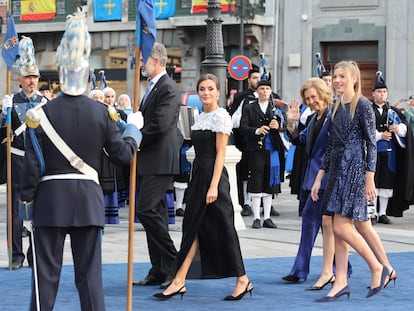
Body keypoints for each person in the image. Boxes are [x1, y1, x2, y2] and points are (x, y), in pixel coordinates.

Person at [18, 11, 142, 310]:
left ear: (59, 75)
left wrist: (26, 205)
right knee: (90, 278)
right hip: (88, 201)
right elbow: (123, 156)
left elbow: (31, 168)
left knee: (45, 277)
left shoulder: (40, 114)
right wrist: (133, 131)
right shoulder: (102, 113)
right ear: (87, 75)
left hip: (50, 202)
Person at [153, 73, 252, 301]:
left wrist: (214, 186)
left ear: (218, 92)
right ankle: (179, 281)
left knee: (225, 230)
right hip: (198, 175)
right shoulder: (200, 117)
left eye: (210, 89)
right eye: (202, 89)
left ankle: (242, 279)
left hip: (214, 178)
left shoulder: (220, 117)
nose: (206, 93)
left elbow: (220, 155)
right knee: (192, 228)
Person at [311, 60, 395, 302]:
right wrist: (319, 177)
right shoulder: (336, 105)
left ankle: (377, 267)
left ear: (354, 79)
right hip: (337, 170)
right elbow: (331, 146)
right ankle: (340, 282)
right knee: (338, 230)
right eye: (335, 76)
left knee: (340, 226)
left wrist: (370, 177)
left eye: (342, 76)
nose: (337, 80)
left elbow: (371, 143)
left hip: (354, 170)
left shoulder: (363, 105)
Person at [133, 42, 181, 288]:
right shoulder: (152, 87)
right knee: (157, 213)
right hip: (149, 159)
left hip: (160, 159)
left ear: (157, 60)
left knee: (146, 210)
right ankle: (159, 268)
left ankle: (175, 262)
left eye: (143, 59)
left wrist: (136, 136)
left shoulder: (168, 87)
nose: (140, 63)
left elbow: (161, 125)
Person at [282, 77, 338, 287]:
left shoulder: (333, 116)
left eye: (314, 96)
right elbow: (299, 140)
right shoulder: (315, 118)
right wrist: (291, 123)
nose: (311, 101)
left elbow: (334, 149)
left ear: (324, 93)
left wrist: (323, 175)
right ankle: (340, 266)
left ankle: (302, 270)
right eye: (308, 98)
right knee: (324, 225)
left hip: (327, 179)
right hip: (312, 179)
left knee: (320, 224)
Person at [0, 36, 46, 270]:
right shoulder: (12, 100)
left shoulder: (45, 102)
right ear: (19, 79)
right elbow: (2, 132)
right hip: (17, 160)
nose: (31, 81)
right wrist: (3, 114)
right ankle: (16, 254)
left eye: (34, 77)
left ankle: (34, 254)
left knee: (39, 211)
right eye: (27, 77)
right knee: (16, 212)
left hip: (38, 161)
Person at [239, 80, 285, 229]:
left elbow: (282, 126)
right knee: (256, 182)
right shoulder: (249, 108)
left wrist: (278, 126)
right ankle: (256, 217)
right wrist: (257, 131)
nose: (265, 91)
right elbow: (243, 127)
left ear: (270, 91)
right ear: (257, 91)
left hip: (272, 150)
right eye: (262, 88)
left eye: (267, 89)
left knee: (269, 183)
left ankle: (267, 217)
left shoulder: (275, 108)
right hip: (256, 150)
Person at [370, 72, 410, 224]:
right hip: (372, 153)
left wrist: (398, 128)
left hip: (389, 153)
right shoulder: (367, 110)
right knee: (373, 182)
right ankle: (372, 212)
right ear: (373, 93)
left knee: (386, 182)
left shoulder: (393, 112)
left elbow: (406, 129)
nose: (382, 95)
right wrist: (380, 136)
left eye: (384, 92)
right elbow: (362, 131)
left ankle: (382, 213)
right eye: (379, 92)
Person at [229, 68, 261, 216]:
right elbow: (233, 119)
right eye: (254, 78)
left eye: (259, 78)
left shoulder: (269, 97)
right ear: (248, 80)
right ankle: (246, 202)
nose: (257, 81)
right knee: (245, 172)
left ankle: (262, 202)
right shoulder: (242, 97)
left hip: (262, 141)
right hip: (244, 139)